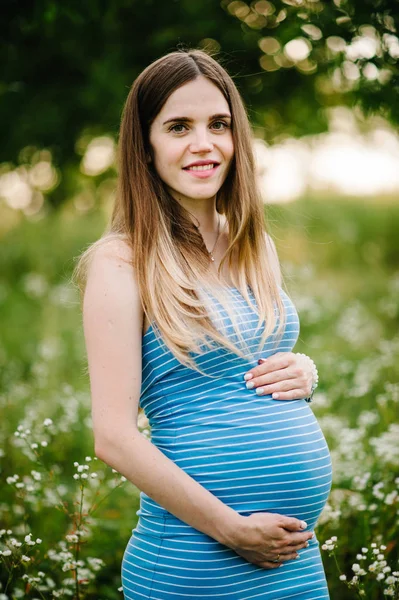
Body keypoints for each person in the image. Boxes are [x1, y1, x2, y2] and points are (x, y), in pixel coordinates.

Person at [74, 48, 332, 599]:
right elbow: (114, 438)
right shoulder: (121, 263)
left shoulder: (252, 243)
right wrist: (231, 529)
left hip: (292, 558)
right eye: (178, 127)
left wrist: (304, 372)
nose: (204, 144)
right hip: (196, 561)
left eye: (218, 124)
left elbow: (248, 367)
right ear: (144, 147)